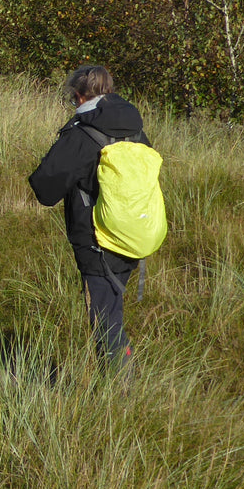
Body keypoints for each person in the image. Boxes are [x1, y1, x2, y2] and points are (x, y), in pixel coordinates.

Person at [28, 65, 149, 370]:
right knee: (111, 306)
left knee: (103, 314)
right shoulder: (136, 129)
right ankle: (118, 380)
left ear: (79, 96)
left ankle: (118, 389)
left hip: (96, 238)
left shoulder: (83, 133)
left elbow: (46, 187)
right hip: (136, 232)